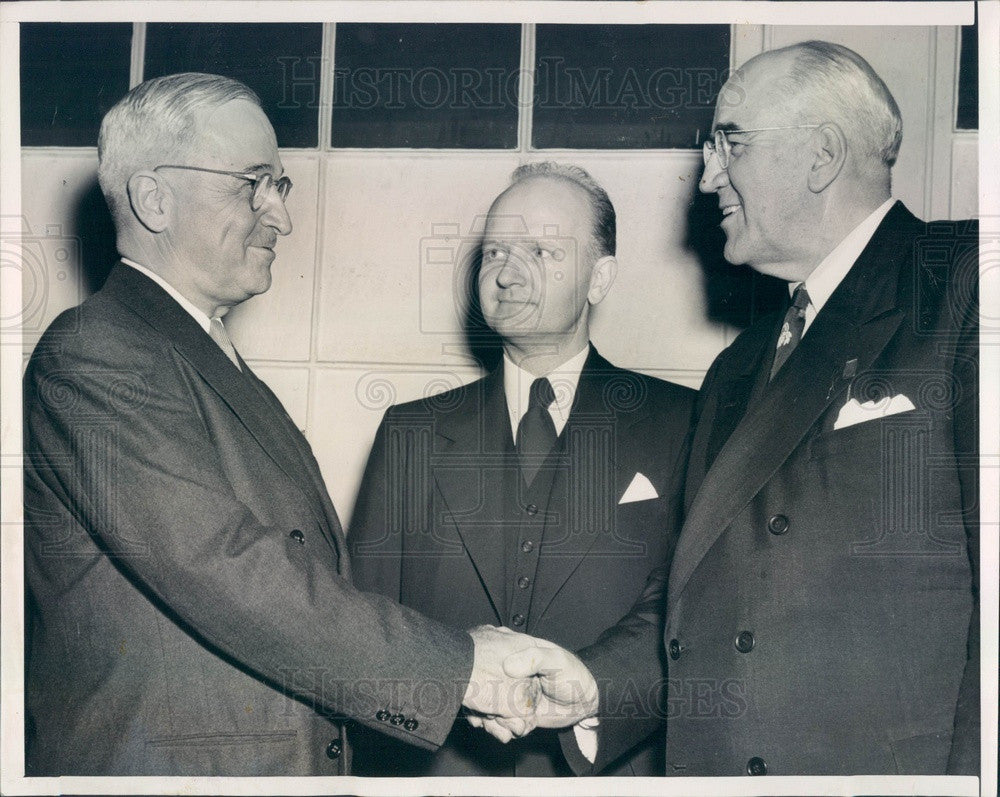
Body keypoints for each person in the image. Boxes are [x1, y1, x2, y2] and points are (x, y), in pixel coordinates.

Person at [22, 72, 565, 776]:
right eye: (254, 183)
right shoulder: (93, 355)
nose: (280, 216)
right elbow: (225, 567)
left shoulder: (207, 362)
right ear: (154, 198)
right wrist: (460, 668)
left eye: (281, 186)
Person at [492, 40, 980, 777]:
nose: (708, 175)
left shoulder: (966, 283)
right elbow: (698, 596)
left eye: (730, 142)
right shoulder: (737, 367)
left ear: (821, 154)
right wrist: (595, 685)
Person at [348, 162, 695, 775]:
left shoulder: (683, 424)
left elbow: (689, 619)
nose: (507, 273)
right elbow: (366, 629)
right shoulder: (410, 433)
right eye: (494, 253)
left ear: (600, 276)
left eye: (540, 249)